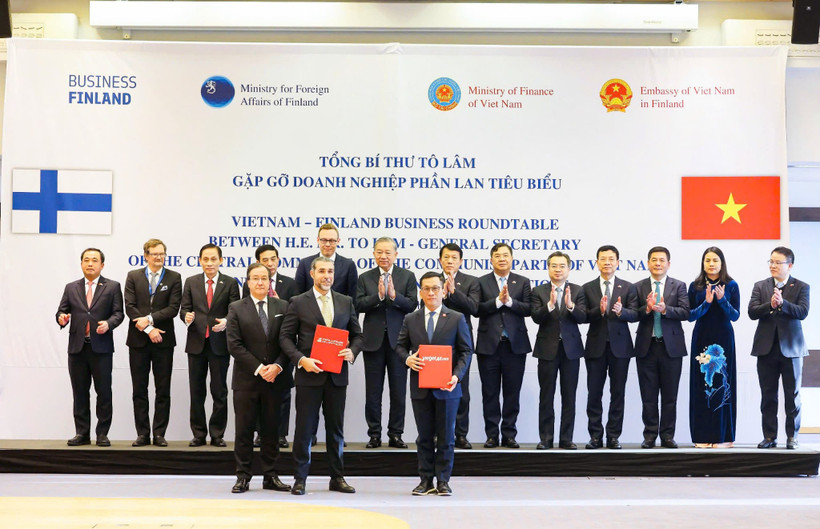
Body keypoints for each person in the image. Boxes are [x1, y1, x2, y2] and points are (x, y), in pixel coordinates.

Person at [280, 256, 363, 495]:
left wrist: (352, 350)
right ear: (312, 274)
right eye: (322, 271)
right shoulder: (297, 301)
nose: (327, 275)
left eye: (330, 271)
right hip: (308, 375)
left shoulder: (346, 301)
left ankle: (337, 478)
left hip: (337, 377)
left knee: (336, 430)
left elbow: (358, 335)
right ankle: (300, 479)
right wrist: (301, 360)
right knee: (304, 429)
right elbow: (285, 338)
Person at [396, 272, 472, 496]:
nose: (431, 293)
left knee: (447, 437)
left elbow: (466, 350)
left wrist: (456, 376)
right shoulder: (411, 318)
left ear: (443, 291)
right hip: (420, 386)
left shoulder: (457, 318)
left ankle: (443, 481)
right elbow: (400, 347)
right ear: (420, 292)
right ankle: (425, 480)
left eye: (435, 288)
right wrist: (408, 359)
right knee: (424, 437)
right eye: (426, 289)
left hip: (448, 387)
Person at [226, 263, 292, 493]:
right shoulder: (236, 308)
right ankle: (243, 476)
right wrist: (259, 368)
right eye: (255, 278)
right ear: (248, 281)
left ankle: (271, 476)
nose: (260, 282)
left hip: (276, 379)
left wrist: (276, 367)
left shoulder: (283, 306)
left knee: (272, 430)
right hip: (247, 380)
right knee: (244, 430)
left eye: (264, 278)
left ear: (270, 281)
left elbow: (288, 342)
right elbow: (234, 345)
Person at [56, 248, 124, 447]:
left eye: (94, 260)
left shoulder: (112, 287)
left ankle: (102, 434)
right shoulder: (71, 287)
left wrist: (109, 324)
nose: (90, 264)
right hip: (77, 349)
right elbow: (62, 311)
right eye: (86, 260)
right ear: (81, 264)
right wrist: (61, 318)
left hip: (101, 348)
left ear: (102, 265)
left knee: (104, 392)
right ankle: (82, 433)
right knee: (80, 392)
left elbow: (118, 313)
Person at [355, 237, 418, 448]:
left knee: (398, 391)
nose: (383, 256)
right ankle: (374, 434)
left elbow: (412, 305)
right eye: (379, 252)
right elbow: (358, 304)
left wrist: (394, 296)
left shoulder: (407, 276)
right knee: (373, 392)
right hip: (373, 342)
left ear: (396, 254)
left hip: (399, 342)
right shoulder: (364, 277)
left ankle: (396, 434)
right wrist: (379, 297)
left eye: (388, 252)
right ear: (373, 254)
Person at [749, 247, 810, 450]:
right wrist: (771, 305)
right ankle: (769, 437)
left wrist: (783, 304)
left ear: (789, 265)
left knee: (792, 395)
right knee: (768, 396)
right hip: (766, 349)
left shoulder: (801, 286)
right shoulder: (761, 286)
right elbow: (752, 312)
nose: (773, 266)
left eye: (778, 262)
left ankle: (792, 437)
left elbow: (803, 312)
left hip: (791, 350)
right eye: (771, 262)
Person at [180, 243, 240, 448]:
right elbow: (184, 310)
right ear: (200, 261)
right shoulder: (191, 282)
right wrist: (186, 317)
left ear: (221, 260)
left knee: (219, 391)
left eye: (213, 259)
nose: (209, 263)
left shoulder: (230, 283)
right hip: (196, 343)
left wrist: (226, 321)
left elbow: (235, 311)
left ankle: (217, 434)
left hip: (219, 344)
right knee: (196, 391)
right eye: (205, 259)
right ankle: (198, 434)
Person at [124, 238, 182, 447]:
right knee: (139, 389)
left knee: (162, 388)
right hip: (139, 341)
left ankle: (159, 433)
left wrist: (149, 320)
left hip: (163, 340)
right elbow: (130, 307)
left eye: (162, 254)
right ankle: (142, 433)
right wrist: (149, 329)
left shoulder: (174, 277)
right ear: (146, 256)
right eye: (154, 254)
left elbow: (173, 308)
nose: (158, 257)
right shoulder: (133, 276)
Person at [581, 245, 639, 450]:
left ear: (618, 262)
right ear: (596, 262)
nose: (607, 262)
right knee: (594, 393)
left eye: (611, 259)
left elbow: (636, 315)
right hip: (595, 347)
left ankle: (613, 436)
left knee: (618, 393)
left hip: (621, 348)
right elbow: (583, 315)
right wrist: (599, 310)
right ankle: (595, 436)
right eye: (603, 259)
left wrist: (622, 312)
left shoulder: (628, 287)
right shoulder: (587, 288)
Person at [475, 242, 532, 448]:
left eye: (505, 255)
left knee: (512, 392)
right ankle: (491, 435)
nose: (502, 259)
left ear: (512, 258)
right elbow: (477, 309)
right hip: (488, 346)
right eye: (497, 255)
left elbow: (529, 309)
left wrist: (509, 302)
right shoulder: (481, 282)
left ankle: (509, 434)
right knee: (489, 392)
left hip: (514, 346)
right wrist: (497, 302)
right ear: (491, 259)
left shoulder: (523, 281)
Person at [242, 244, 298, 448]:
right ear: (258, 262)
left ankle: (281, 434)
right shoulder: (250, 284)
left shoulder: (290, 284)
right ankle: (260, 433)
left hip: (282, 348)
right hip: (257, 350)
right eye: (265, 260)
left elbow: (297, 311)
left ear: (278, 260)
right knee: (259, 393)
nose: (270, 263)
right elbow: (245, 312)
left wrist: (277, 303)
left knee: (283, 393)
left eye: (273, 258)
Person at [634, 246, 689, 449]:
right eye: (654, 260)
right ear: (648, 263)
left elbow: (685, 312)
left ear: (668, 264)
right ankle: (649, 435)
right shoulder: (638, 287)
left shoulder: (679, 286)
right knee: (648, 396)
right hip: (646, 347)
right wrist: (646, 308)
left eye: (662, 260)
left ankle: (667, 435)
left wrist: (667, 309)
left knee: (669, 396)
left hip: (671, 348)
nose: (658, 263)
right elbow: (632, 314)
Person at [530, 251, 586, 450]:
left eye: (562, 265)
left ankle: (566, 439)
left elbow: (584, 317)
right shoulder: (538, 291)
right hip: (547, 350)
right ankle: (546, 438)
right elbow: (536, 317)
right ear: (548, 268)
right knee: (546, 395)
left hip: (571, 351)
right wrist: (550, 305)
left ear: (569, 269)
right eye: (554, 265)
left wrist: (571, 306)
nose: (558, 269)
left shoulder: (578, 290)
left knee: (569, 396)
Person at [687, 247, 739, 448]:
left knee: (723, 382)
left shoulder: (732, 285)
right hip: (702, 338)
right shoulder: (696, 286)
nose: (711, 264)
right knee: (703, 385)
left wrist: (722, 300)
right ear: (703, 263)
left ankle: (723, 437)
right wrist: (707, 303)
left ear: (722, 262)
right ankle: (702, 436)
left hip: (724, 339)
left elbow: (735, 315)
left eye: (715, 260)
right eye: (707, 260)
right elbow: (690, 315)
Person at [439, 243, 480, 449]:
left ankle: (461, 435)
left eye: (454, 258)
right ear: (440, 260)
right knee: (437, 391)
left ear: (460, 261)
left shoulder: (471, 281)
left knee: (462, 391)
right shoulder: (433, 281)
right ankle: (440, 435)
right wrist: (442, 294)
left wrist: (454, 292)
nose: (450, 261)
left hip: (461, 343)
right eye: (446, 257)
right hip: (437, 344)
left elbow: (474, 308)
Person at [294, 223, 358, 296]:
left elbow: (353, 297)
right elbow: (298, 295)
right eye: (324, 240)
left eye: (331, 240)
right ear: (318, 240)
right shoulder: (305, 264)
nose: (327, 244)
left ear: (338, 241)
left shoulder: (349, 265)